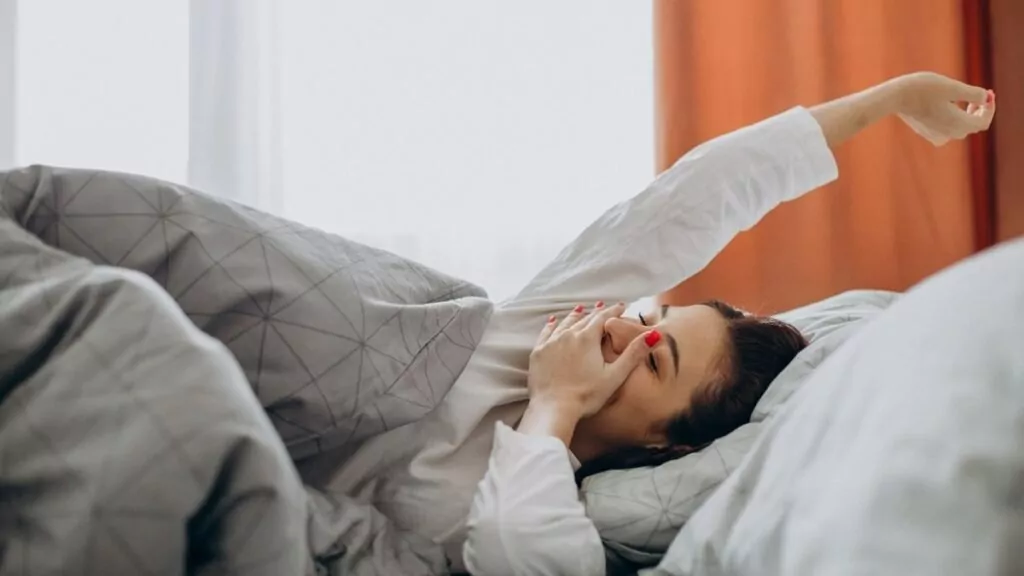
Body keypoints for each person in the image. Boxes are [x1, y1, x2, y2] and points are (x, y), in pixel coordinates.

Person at [315, 71, 995, 575]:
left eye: (652, 359)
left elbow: (517, 554)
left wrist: (555, 404)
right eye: (647, 316)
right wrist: (895, 98)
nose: (618, 332)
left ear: (666, 444)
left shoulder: (566, 508)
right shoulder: (554, 322)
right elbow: (700, 194)